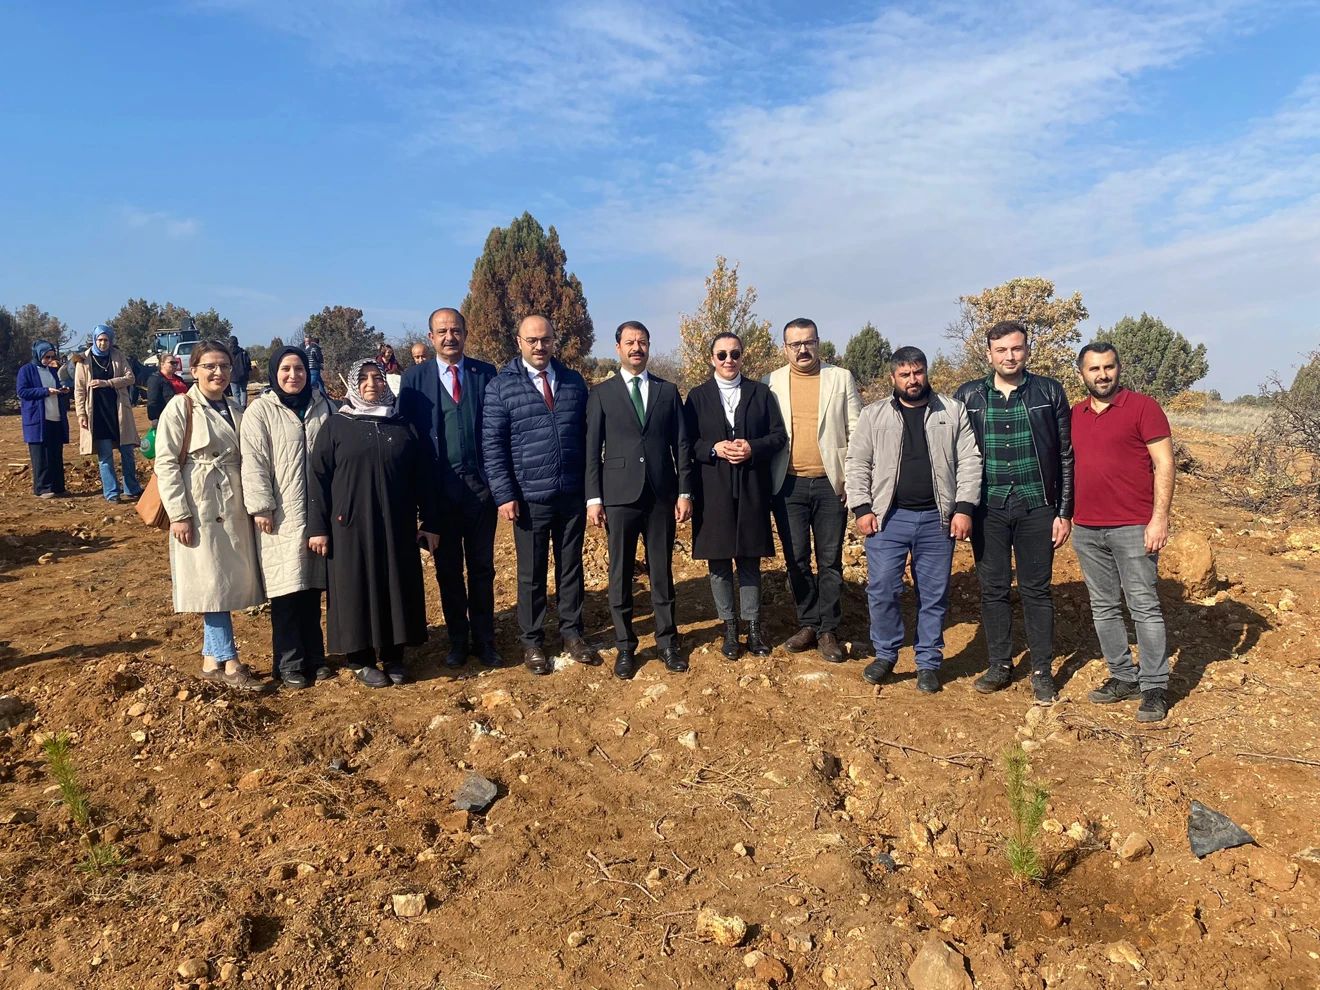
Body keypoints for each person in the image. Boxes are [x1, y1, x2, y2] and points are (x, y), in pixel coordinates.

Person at [846, 347, 982, 692]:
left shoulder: (952, 410)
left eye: (918, 372)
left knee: (933, 594)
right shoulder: (874, 414)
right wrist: (862, 507)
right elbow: (857, 462)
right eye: (905, 374)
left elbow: (969, 460)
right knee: (882, 589)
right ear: (893, 377)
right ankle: (886, 654)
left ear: (926, 372)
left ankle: (928, 662)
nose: (913, 380)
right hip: (888, 518)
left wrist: (964, 508)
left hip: (937, 519)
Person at [954, 320, 1074, 705]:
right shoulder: (969, 395)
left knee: (1036, 590)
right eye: (1002, 350)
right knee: (993, 589)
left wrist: (1064, 511)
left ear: (1027, 350)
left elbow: (1065, 455)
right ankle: (1000, 665)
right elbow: (956, 455)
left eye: (1017, 348)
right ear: (989, 354)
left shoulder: (1048, 391)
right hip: (987, 507)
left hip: (1037, 504)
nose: (1010, 356)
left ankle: (1042, 671)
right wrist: (961, 507)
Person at [308, 359, 442, 687]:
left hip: (397, 523)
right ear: (354, 384)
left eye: (377, 377)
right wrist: (318, 528)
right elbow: (318, 479)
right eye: (364, 378)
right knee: (356, 586)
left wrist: (430, 520)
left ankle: (394, 655)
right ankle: (361, 658)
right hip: (350, 525)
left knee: (395, 583)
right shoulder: (337, 426)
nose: (371, 383)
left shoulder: (402, 424)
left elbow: (424, 477)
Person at [482, 316, 594, 675]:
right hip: (529, 498)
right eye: (532, 340)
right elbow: (493, 447)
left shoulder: (573, 382)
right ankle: (532, 641)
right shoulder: (501, 387)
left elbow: (589, 437)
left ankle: (572, 633)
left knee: (570, 568)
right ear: (519, 342)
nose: (539, 346)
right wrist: (504, 494)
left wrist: (591, 490)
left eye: (545, 339)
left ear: (554, 341)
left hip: (571, 494)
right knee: (531, 573)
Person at [1072, 342, 1175, 723]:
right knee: (1103, 607)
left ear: (1119, 368)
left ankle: (1154, 687)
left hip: (1134, 526)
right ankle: (1122, 677)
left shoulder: (1143, 407)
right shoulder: (1075, 414)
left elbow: (1164, 463)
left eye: (1109, 367)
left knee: (1143, 606)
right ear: (1081, 374)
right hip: (1086, 527)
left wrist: (1159, 518)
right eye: (1094, 369)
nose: (1102, 375)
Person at [154, 339, 266, 691]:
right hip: (199, 505)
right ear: (194, 370)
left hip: (231, 503)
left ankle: (210, 660)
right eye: (210, 366)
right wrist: (179, 513)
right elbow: (166, 462)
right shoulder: (180, 407)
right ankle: (230, 662)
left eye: (225, 366)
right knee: (212, 581)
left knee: (220, 580)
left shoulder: (236, 408)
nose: (219, 372)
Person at [586, 320, 694, 679]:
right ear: (618, 348)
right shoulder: (602, 394)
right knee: (619, 574)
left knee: (661, 572)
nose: (637, 348)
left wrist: (684, 491)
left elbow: (681, 445)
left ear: (649, 347)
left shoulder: (667, 391)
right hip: (619, 497)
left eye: (643, 342)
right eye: (630, 342)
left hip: (661, 495)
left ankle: (667, 643)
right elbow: (592, 451)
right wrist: (593, 498)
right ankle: (625, 646)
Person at [398, 308, 501, 669]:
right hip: (438, 494)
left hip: (480, 491)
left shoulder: (485, 373)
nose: (449, 337)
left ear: (465, 334)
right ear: (431, 337)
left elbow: (496, 427)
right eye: (442, 332)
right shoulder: (414, 378)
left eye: (455, 330)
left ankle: (485, 640)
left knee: (482, 569)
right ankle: (458, 640)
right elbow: (408, 437)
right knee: (448, 571)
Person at [683, 332, 786, 659]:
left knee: (749, 557)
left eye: (735, 354)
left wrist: (752, 447)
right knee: (718, 559)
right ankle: (729, 628)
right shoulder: (697, 397)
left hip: (752, 487)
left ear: (743, 356)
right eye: (722, 354)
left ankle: (753, 628)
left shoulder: (761, 393)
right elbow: (687, 443)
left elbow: (778, 436)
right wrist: (713, 449)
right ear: (712, 359)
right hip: (712, 489)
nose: (729, 360)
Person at [764, 318, 862, 661]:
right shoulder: (771, 382)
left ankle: (828, 630)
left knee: (830, 561)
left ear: (818, 343)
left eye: (809, 342)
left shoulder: (841, 378)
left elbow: (857, 432)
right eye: (795, 344)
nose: (803, 349)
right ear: (785, 348)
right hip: (787, 485)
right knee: (797, 560)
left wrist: (852, 479)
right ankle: (808, 622)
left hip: (830, 484)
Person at [240, 346, 334, 690]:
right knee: (286, 591)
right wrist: (261, 506)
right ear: (274, 373)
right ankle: (288, 662)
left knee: (312, 588)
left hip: (317, 513)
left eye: (299, 369)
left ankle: (315, 658)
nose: (293, 376)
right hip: (281, 514)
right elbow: (254, 461)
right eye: (285, 369)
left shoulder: (323, 406)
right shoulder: (261, 411)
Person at [74, 325, 143, 503]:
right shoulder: (83, 360)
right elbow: (79, 389)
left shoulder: (118, 355)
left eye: (106, 340)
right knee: (105, 455)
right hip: (97, 414)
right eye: (100, 340)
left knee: (127, 452)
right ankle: (112, 492)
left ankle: (131, 488)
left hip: (119, 411)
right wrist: (81, 414)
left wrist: (108, 383)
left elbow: (130, 378)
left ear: (111, 340)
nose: (103, 343)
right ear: (94, 340)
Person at [16, 340, 71, 499]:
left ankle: (58, 487)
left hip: (55, 417)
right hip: (38, 419)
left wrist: (63, 391)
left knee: (56, 454)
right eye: (46, 357)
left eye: (52, 357)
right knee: (41, 456)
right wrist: (45, 391)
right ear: (38, 355)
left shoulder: (52, 371)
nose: (49, 360)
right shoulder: (26, 370)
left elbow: (57, 388)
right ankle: (43, 488)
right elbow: (23, 392)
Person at [147, 353, 189, 424]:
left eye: (176, 363)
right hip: (168, 418)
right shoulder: (155, 379)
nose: (175, 365)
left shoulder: (179, 379)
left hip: (184, 414)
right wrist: (155, 418)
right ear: (162, 364)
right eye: (172, 363)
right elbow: (152, 400)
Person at [228, 336, 252, 409]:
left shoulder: (227, 353)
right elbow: (248, 363)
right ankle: (244, 406)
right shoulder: (243, 352)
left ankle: (237, 408)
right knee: (243, 391)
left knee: (235, 394)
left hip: (232, 376)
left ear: (229, 343)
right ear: (237, 343)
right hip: (243, 375)